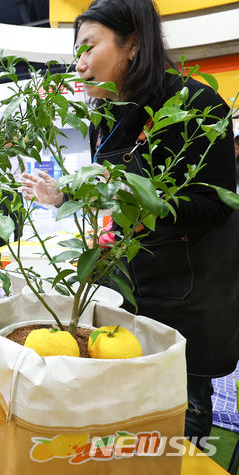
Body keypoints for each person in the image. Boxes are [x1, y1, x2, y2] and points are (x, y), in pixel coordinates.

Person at [21, 0, 239, 447]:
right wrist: (64, 195)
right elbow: (109, 185)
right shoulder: (110, 113)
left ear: (133, 44)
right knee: (131, 400)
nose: (78, 65)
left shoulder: (194, 104)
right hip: (134, 278)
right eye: (76, 54)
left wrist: (136, 195)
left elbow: (215, 205)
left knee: (180, 406)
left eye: (88, 47)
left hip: (190, 288)